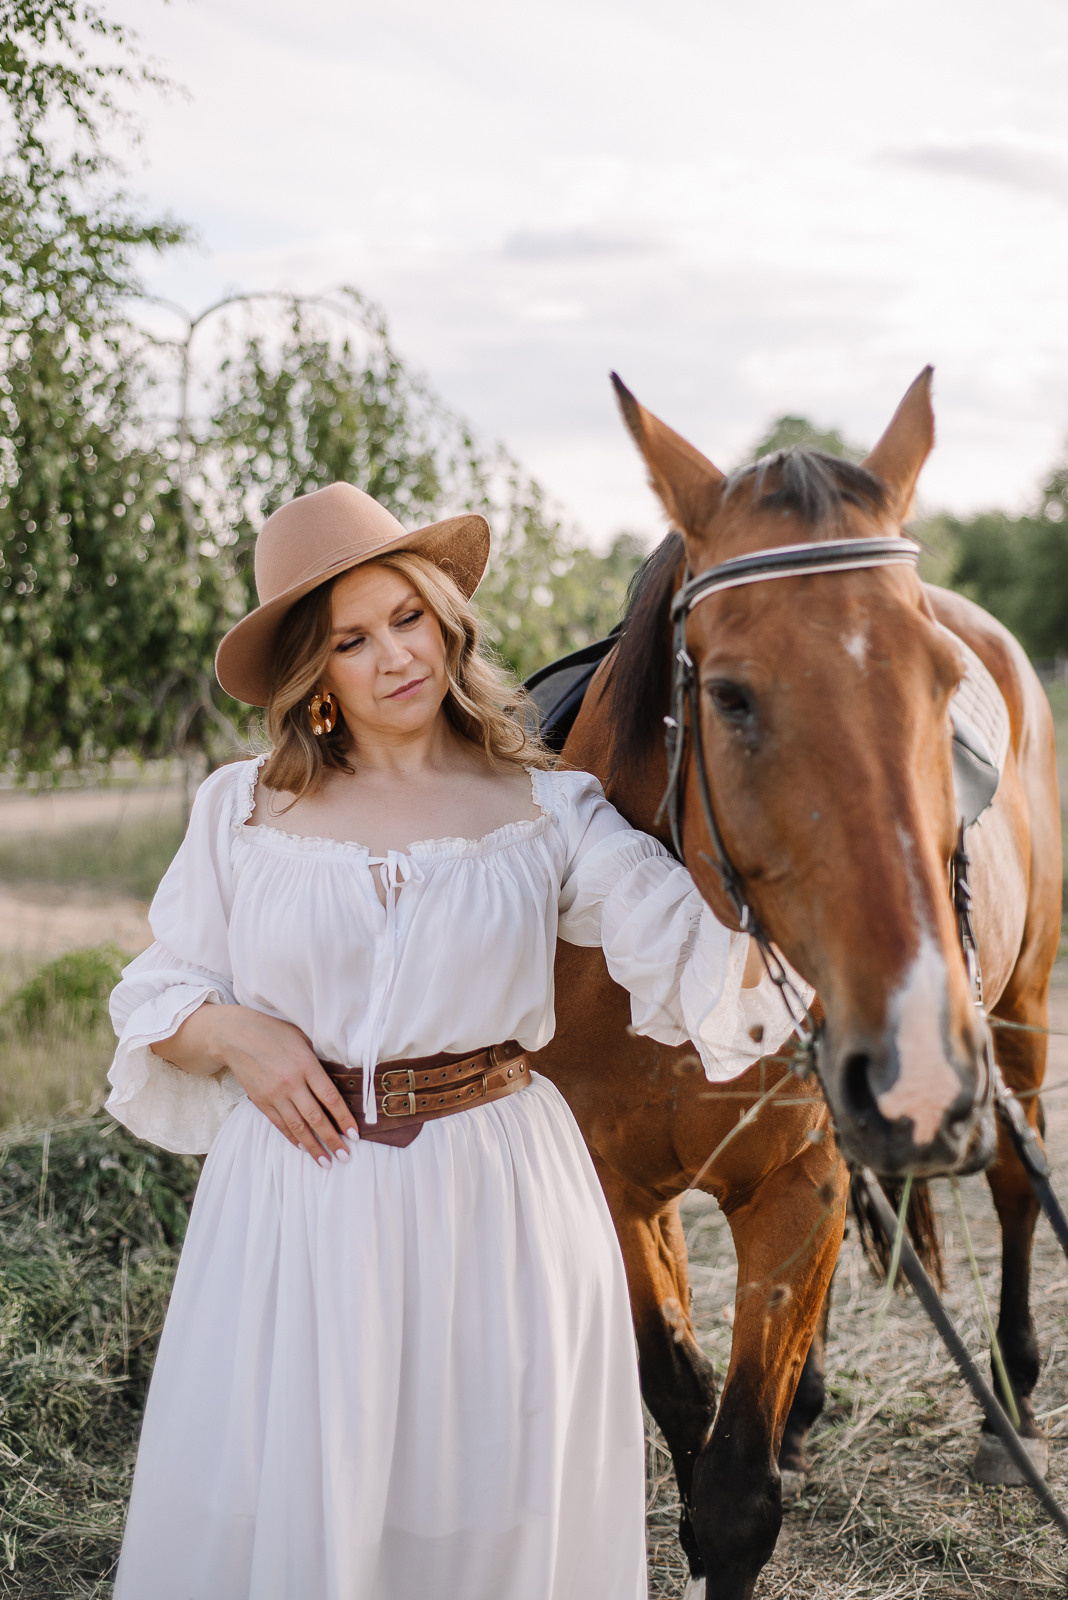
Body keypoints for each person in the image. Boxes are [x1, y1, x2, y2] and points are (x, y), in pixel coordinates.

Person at [106, 483, 805, 1600]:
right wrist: (239, 1034)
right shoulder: (241, 810)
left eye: (409, 618)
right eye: (351, 638)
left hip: (497, 1201)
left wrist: (853, 954)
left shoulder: (546, 811)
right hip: (297, 1207)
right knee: (302, 1501)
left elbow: (699, 963)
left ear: (447, 620)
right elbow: (159, 992)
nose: (393, 655)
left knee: (486, 1512)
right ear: (313, 672)